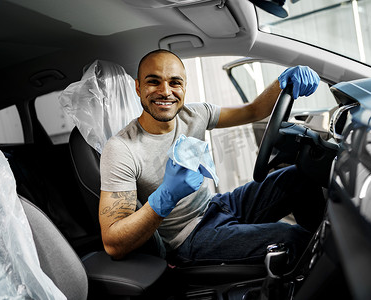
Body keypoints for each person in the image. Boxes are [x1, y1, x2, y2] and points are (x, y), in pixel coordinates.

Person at [99, 49, 325, 267]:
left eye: (175, 82)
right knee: (292, 238)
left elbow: (253, 110)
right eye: (153, 81)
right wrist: (165, 197)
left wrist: (282, 82)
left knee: (301, 176)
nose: (165, 91)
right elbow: (114, 244)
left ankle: (327, 246)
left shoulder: (195, 114)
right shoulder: (121, 149)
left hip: (217, 206)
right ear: (138, 88)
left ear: (184, 87)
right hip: (187, 238)